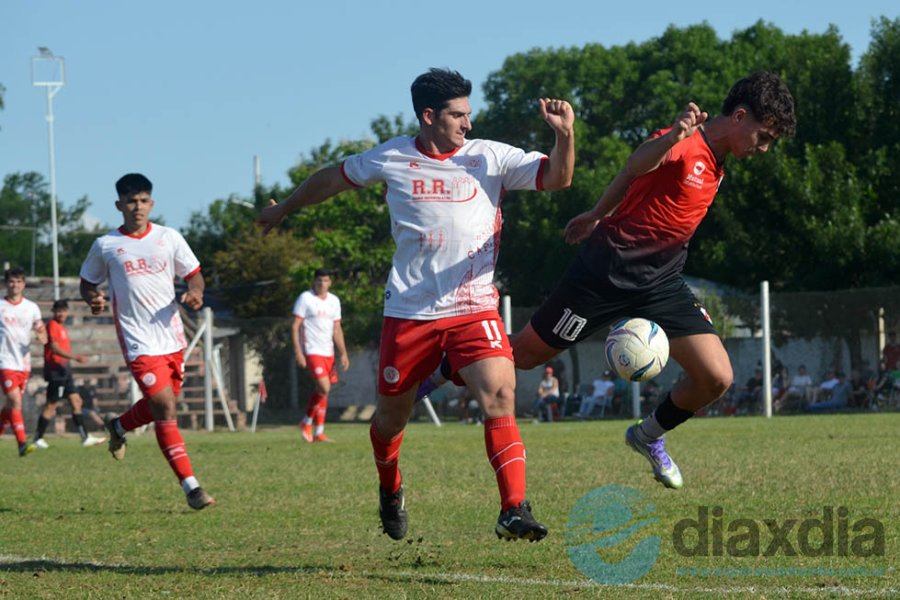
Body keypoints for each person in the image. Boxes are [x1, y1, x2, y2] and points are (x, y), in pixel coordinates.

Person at [419, 71, 795, 490]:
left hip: (661, 283)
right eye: (764, 137)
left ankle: (647, 435)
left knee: (716, 377)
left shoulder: (719, 160)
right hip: (604, 274)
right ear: (740, 116)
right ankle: (442, 367)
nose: (764, 148)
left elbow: (631, 183)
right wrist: (670, 139)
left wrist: (596, 212)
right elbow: (637, 164)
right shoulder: (685, 141)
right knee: (521, 356)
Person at [257, 68, 575, 541]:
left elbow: (557, 178)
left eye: (469, 113)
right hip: (409, 314)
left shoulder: (490, 156)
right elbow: (332, 178)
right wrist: (285, 208)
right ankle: (390, 487)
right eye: (457, 115)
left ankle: (513, 508)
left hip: (474, 305)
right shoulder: (392, 157)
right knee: (389, 422)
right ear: (428, 115)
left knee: (501, 394)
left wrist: (565, 136)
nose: (468, 123)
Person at [80, 173, 214, 510]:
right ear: (119, 205)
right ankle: (191, 487)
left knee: (160, 406)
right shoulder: (106, 245)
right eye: (130, 201)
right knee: (166, 406)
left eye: (142, 200)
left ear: (151, 203)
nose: (137, 207)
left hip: (172, 338)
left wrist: (195, 292)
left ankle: (119, 424)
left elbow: (194, 274)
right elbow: (87, 283)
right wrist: (93, 298)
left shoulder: (169, 238)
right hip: (137, 340)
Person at [33, 299, 107, 449]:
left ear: (67, 312)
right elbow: (54, 348)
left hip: (64, 370)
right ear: (54, 312)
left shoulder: (61, 327)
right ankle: (37, 437)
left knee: (76, 401)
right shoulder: (53, 326)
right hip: (56, 371)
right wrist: (75, 357)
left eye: (64, 311)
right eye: (58, 311)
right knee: (52, 404)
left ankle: (84, 437)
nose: (61, 314)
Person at [291, 268, 349, 443]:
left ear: (330, 282)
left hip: (328, 352)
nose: (322, 284)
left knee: (323, 391)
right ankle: (306, 421)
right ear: (313, 282)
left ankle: (319, 432)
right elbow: (295, 326)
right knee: (324, 387)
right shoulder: (305, 299)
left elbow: (337, 329)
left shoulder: (334, 301)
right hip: (312, 350)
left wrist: (343, 353)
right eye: (319, 281)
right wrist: (298, 352)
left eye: (325, 281)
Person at [0, 267, 47, 457]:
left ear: (24, 284)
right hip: (4, 361)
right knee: (15, 400)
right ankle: (21, 443)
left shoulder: (31, 307)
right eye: (12, 281)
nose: (15, 285)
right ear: (6, 283)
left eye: (19, 281)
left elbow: (41, 330)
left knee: (11, 406)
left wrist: (41, 334)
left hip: (24, 363)